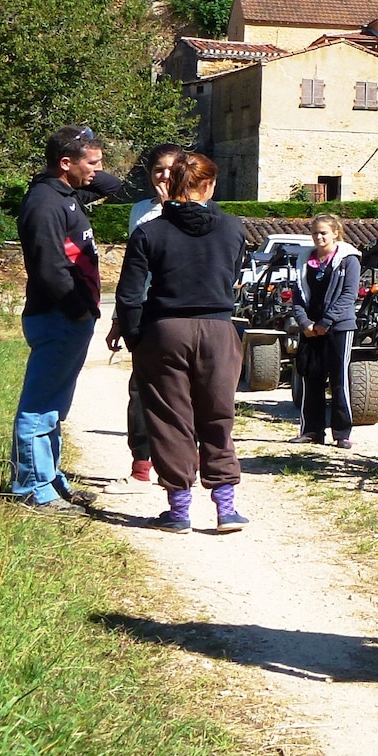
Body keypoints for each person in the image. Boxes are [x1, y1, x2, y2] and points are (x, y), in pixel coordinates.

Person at [110, 151, 252, 533]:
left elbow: (128, 296)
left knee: (171, 421)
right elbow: (232, 277)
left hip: (166, 330)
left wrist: (138, 339)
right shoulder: (233, 228)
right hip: (218, 329)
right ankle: (225, 507)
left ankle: (179, 510)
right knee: (218, 416)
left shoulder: (149, 232)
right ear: (208, 185)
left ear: (170, 184)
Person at [9, 125, 124, 512]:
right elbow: (48, 268)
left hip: (70, 316)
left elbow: (113, 186)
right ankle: (31, 488)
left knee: (55, 407)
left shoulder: (66, 192)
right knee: (40, 406)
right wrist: (78, 308)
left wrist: (86, 150)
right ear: (64, 164)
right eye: (91, 163)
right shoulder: (44, 203)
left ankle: (49, 478)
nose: (97, 171)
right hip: (57, 315)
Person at [121, 143, 187, 482]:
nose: (164, 175)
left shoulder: (201, 211)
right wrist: (122, 317)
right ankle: (141, 461)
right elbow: (132, 268)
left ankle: (177, 463)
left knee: (181, 390)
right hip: (145, 308)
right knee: (140, 387)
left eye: (171, 169)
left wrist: (171, 209)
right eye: (158, 169)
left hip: (181, 310)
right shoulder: (138, 211)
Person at [292, 215, 361, 447]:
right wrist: (305, 324)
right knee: (311, 378)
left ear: (335, 233)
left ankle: (342, 433)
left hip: (339, 327)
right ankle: (312, 430)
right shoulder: (304, 260)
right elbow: (298, 297)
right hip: (311, 329)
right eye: (315, 233)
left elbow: (348, 295)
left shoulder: (348, 261)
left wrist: (326, 322)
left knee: (339, 380)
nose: (319, 237)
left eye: (323, 232)